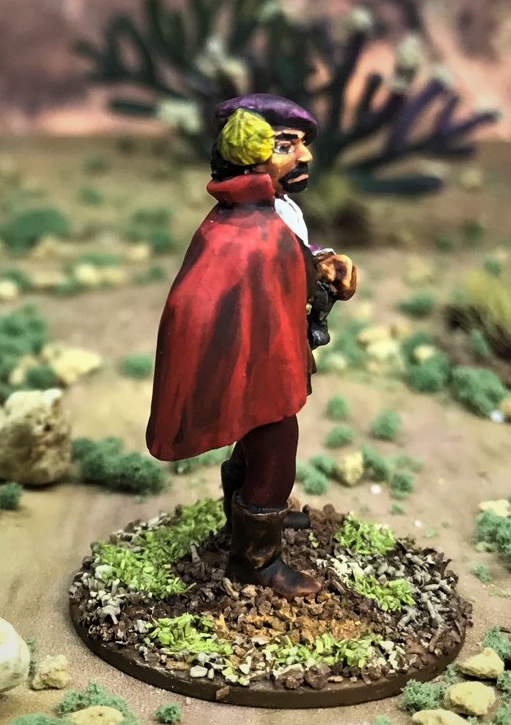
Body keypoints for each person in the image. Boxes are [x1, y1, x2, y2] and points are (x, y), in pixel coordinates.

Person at [146, 93, 357, 597]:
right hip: (256, 360)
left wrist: (321, 266)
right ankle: (255, 558)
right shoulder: (246, 230)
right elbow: (209, 300)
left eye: (302, 144)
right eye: (286, 145)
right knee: (277, 445)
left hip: (269, 351)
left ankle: (247, 519)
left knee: (260, 437)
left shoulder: (272, 212)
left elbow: (289, 262)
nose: (304, 156)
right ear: (249, 155)